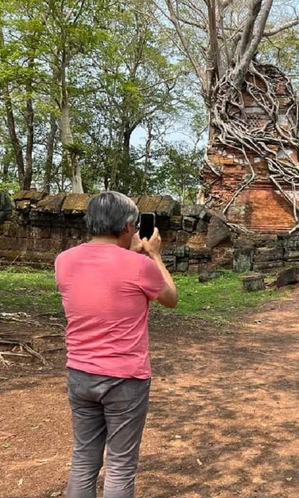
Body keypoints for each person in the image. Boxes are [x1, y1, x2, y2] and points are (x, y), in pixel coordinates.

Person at [55, 191, 178, 498]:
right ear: (127, 226)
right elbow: (170, 298)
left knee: (83, 459)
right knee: (121, 464)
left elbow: (104, 276)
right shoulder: (140, 267)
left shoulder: (64, 261)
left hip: (80, 373)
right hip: (125, 378)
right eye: (135, 226)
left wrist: (128, 250)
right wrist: (155, 255)